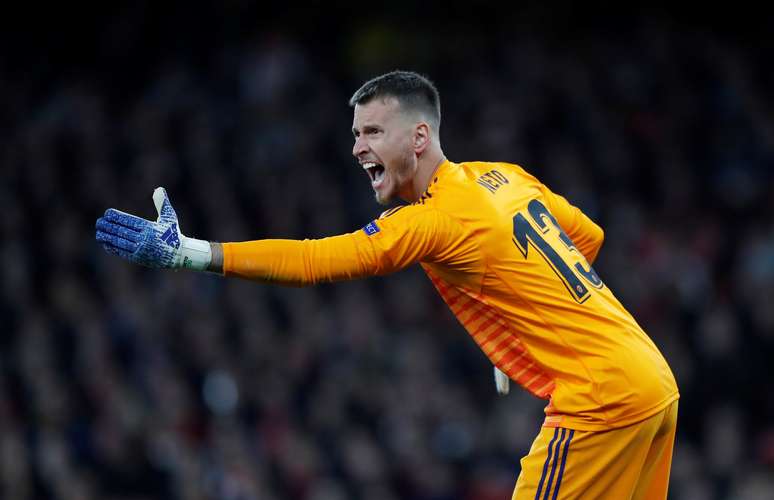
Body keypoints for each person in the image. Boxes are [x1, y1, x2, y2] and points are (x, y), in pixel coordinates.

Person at [95, 70, 679, 499]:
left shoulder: (433, 219)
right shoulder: (502, 177)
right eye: (355, 134)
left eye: (372, 131)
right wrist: (521, 314)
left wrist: (192, 254)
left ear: (418, 138)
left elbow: (317, 260)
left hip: (600, 398)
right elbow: (590, 237)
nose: (357, 148)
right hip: (653, 381)